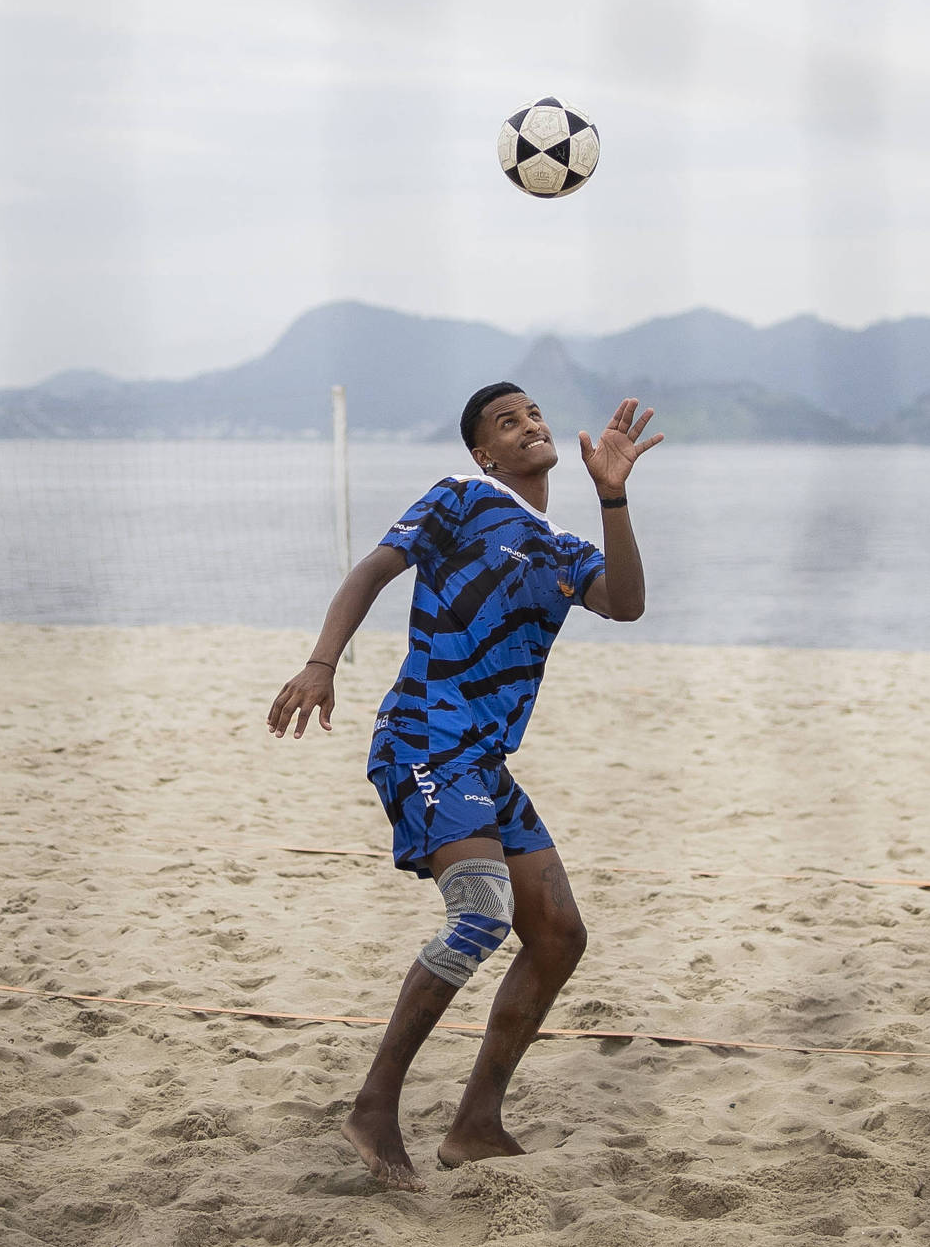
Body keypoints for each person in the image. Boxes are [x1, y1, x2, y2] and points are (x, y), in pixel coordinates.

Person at [266, 383, 663, 1190]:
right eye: (506, 422)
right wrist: (321, 662)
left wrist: (613, 496)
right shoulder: (461, 497)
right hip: (422, 737)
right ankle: (374, 1107)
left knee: (558, 935)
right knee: (481, 911)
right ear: (483, 452)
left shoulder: (563, 547)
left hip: (483, 764)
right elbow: (374, 569)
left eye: (534, 415)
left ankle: (476, 1124)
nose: (529, 427)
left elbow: (625, 604)